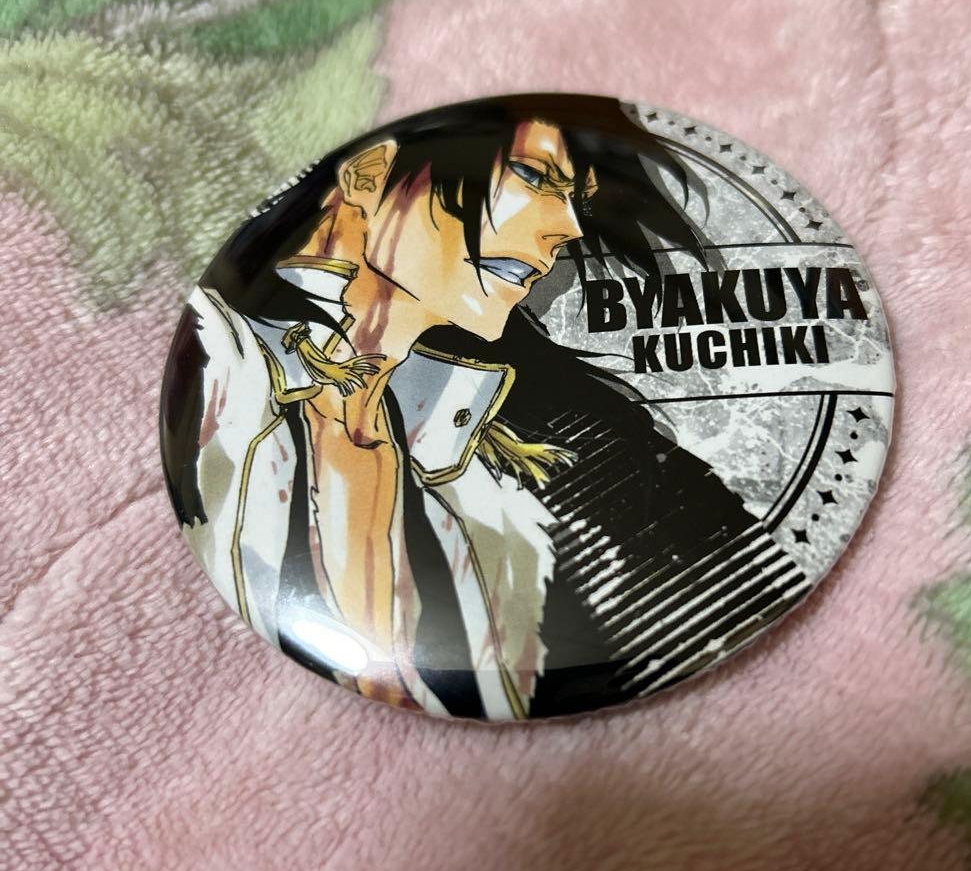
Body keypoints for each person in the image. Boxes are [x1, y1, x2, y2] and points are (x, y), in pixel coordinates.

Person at [161, 94, 806, 719]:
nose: (569, 228)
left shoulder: (490, 483)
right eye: (535, 176)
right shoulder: (223, 363)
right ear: (370, 175)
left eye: (578, 201)